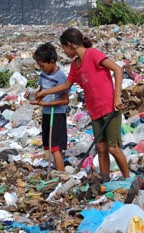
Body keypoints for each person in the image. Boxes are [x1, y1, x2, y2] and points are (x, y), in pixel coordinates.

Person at [35, 28, 130, 181]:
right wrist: (43, 93)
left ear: (71, 45)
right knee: (100, 147)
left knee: (113, 147)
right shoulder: (75, 65)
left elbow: (117, 69)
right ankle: (104, 179)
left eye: (64, 48)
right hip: (94, 110)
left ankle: (128, 178)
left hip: (110, 106)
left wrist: (117, 97)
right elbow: (66, 85)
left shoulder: (92, 54)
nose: (64, 52)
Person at [25, 42, 69, 171]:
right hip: (46, 113)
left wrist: (44, 104)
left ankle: (61, 174)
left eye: (43, 65)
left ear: (52, 61)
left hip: (57, 115)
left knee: (55, 147)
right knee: (50, 145)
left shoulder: (61, 77)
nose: (41, 68)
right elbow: (41, 91)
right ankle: (57, 169)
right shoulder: (43, 74)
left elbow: (65, 100)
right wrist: (32, 96)